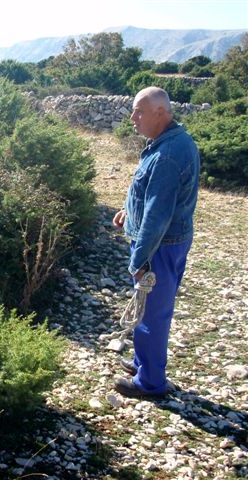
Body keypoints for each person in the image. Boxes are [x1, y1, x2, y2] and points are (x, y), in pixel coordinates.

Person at [112, 86, 199, 397]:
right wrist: (129, 211)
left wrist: (139, 260)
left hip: (159, 247)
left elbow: (158, 215)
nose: (133, 118)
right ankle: (143, 363)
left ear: (161, 113)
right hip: (166, 242)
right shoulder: (170, 142)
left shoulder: (167, 154)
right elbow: (152, 197)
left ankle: (150, 383)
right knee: (148, 307)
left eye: (139, 112)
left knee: (151, 313)